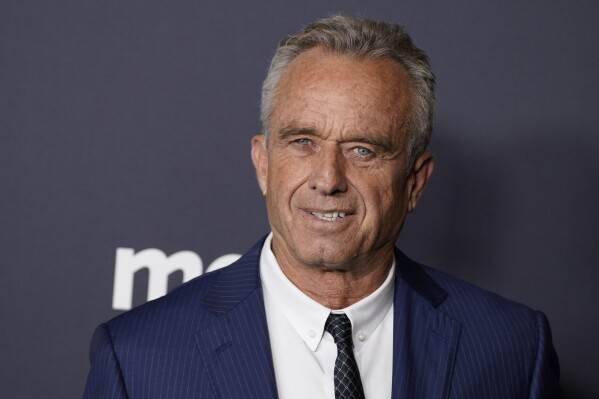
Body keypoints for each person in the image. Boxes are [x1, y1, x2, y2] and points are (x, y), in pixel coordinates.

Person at [83, 15, 562, 399]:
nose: (328, 179)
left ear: (415, 182)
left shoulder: (513, 348)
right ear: (263, 164)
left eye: (363, 150)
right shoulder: (137, 358)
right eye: (302, 142)